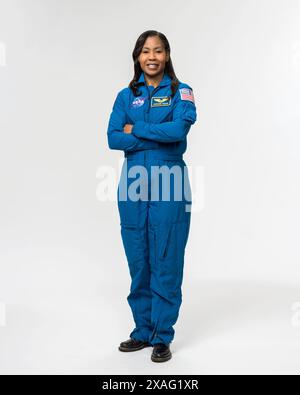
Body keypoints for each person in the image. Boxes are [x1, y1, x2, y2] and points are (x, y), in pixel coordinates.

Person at [107, 30, 197, 363]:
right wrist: (152, 137)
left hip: (170, 178)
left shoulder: (181, 91)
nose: (152, 57)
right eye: (146, 51)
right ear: (137, 56)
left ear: (167, 55)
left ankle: (163, 335)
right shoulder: (124, 96)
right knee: (138, 253)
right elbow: (113, 138)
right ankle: (142, 331)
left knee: (166, 254)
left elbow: (178, 133)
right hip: (132, 181)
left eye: (159, 50)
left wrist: (137, 131)